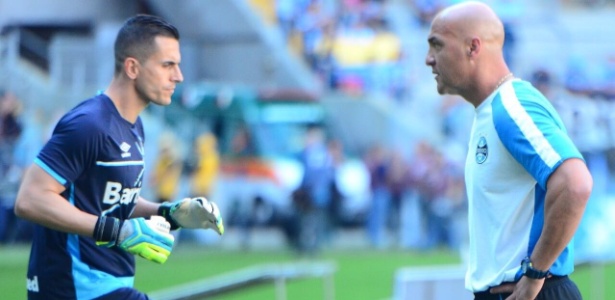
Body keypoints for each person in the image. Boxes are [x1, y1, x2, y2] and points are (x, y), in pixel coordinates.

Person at [14, 14, 224, 300]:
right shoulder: (89, 124)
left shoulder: (134, 125)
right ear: (133, 67)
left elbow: (110, 199)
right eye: (168, 65)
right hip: (75, 288)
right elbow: (30, 199)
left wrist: (168, 212)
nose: (178, 76)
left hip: (110, 285)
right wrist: (117, 231)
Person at [424, 2, 592, 300]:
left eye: (437, 46)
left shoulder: (511, 106)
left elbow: (575, 184)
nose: (429, 60)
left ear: (472, 48)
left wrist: (535, 274)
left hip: (532, 291)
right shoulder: (490, 110)